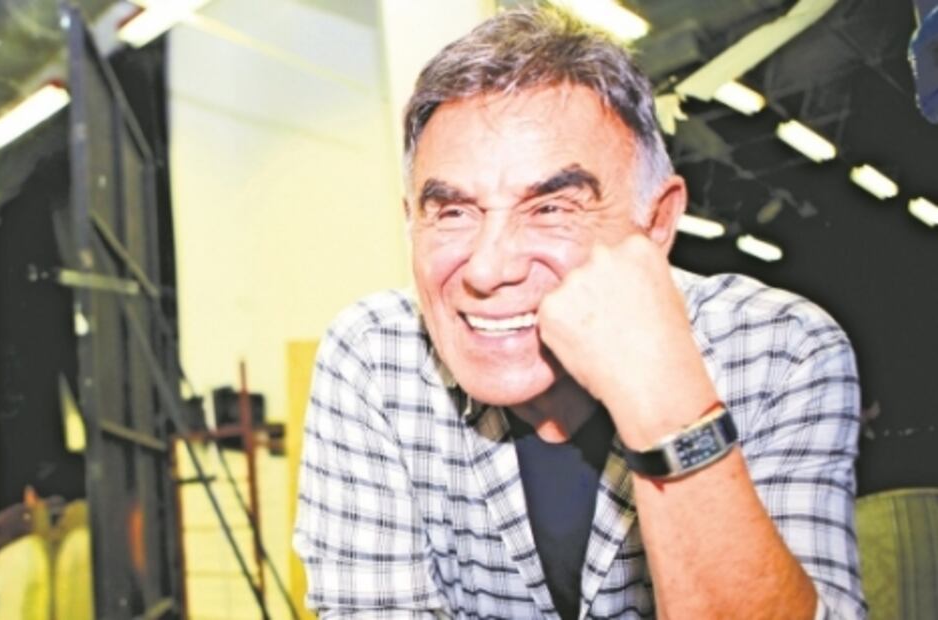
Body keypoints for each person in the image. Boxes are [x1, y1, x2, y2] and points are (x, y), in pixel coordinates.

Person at [294, 6, 865, 619]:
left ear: (657, 222)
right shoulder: (376, 358)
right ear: (412, 221)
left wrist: (668, 406)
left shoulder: (779, 350)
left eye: (551, 209)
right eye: (453, 212)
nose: (487, 270)